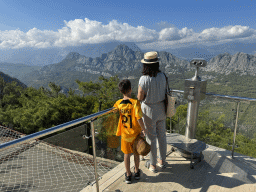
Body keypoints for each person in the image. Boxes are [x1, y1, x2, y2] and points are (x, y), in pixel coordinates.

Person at [137, 51, 167, 173]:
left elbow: (139, 97)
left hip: (149, 110)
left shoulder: (143, 79)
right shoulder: (163, 76)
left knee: (152, 138)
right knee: (162, 136)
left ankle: (153, 164)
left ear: (145, 65)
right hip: (161, 108)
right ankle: (162, 161)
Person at [113, 79, 147, 184]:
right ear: (131, 89)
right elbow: (139, 118)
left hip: (124, 134)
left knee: (126, 154)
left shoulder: (118, 103)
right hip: (135, 134)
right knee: (136, 153)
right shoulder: (135, 103)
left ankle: (128, 175)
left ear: (121, 91)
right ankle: (136, 172)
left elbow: (113, 111)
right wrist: (144, 129)